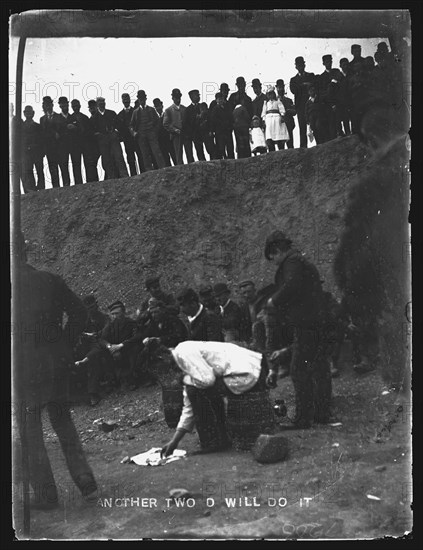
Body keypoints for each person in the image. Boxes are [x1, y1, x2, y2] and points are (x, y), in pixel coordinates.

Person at [15, 232, 97, 509]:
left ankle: (47, 497)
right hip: (55, 363)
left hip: (23, 368)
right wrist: (65, 346)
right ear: (26, 252)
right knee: (64, 422)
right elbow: (80, 314)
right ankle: (86, 482)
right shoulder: (50, 280)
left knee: (31, 432)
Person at [155, 339, 270, 455]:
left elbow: (207, 381)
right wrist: (174, 441)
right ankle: (220, 437)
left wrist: (185, 380)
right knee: (194, 390)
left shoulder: (183, 352)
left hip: (247, 371)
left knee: (195, 390)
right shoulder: (182, 363)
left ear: (163, 358)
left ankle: (213, 441)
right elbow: (189, 407)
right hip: (245, 371)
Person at [264, 230, 332, 428]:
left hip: (306, 324)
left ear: (277, 250)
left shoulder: (291, 262)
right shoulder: (301, 261)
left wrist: (273, 300)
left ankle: (303, 420)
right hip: (318, 322)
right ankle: (321, 414)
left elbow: (292, 286)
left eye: (273, 257)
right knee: (319, 368)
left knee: (299, 370)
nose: (275, 262)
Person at [74, 295, 112, 406]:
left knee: (94, 359)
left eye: (92, 306)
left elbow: (105, 331)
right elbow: (76, 333)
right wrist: (85, 336)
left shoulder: (103, 317)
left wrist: (94, 335)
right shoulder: (82, 320)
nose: (91, 310)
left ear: (96, 305)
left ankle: (93, 392)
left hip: (101, 344)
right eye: (88, 308)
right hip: (85, 346)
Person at [89, 97, 129, 180]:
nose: (102, 104)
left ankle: (124, 176)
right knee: (107, 160)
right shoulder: (94, 118)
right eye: (100, 103)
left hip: (113, 138)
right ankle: (112, 177)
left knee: (119, 157)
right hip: (103, 141)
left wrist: (116, 132)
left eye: (103, 102)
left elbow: (119, 125)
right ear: (97, 105)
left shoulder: (111, 113)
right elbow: (92, 131)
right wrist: (98, 135)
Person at [130, 90, 165, 171]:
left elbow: (157, 122)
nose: (142, 100)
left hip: (151, 134)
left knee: (156, 151)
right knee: (145, 154)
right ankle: (149, 171)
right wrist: (134, 133)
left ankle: (162, 168)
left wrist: (154, 132)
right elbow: (131, 125)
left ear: (145, 98)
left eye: (143, 98)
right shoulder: (135, 112)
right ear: (138, 99)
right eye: (140, 98)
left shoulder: (151, 110)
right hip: (141, 135)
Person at [68, 99, 99, 183]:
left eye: (77, 106)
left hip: (86, 143)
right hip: (75, 145)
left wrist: (77, 129)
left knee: (88, 163)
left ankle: (90, 181)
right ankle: (78, 183)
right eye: (73, 106)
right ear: (71, 107)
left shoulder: (85, 117)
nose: (75, 108)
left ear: (80, 106)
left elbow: (90, 130)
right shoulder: (69, 118)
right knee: (76, 164)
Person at [289, 56, 316, 148]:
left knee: (315, 124)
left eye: (302, 65)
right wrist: (305, 85)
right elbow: (294, 90)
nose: (300, 67)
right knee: (302, 127)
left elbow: (314, 85)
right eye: (298, 65)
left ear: (304, 65)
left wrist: (302, 86)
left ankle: (319, 144)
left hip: (312, 104)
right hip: (300, 106)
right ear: (296, 67)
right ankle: (303, 147)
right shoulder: (293, 80)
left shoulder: (311, 75)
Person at [117, 93, 143, 176]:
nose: (126, 101)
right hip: (127, 140)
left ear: (129, 100)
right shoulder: (120, 115)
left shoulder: (135, 111)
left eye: (127, 99)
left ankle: (143, 173)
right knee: (130, 159)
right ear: (122, 101)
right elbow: (119, 128)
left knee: (140, 155)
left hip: (136, 138)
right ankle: (133, 175)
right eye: (124, 99)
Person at [21, 106, 45, 193]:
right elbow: (20, 140)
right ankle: (32, 189)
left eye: (30, 112)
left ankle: (41, 188)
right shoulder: (21, 127)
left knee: (40, 170)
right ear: (24, 113)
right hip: (27, 153)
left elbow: (42, 140)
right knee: (29, 171)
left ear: (33, 113)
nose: (28, 114)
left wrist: (42, 152)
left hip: (37, 152)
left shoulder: (38, 126)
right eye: (26, 112)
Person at [39, 96, 62, 187]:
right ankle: (56, 187)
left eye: (49, 104)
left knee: (62, 167)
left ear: (52, 105)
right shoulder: (42, 119)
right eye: (45, 105)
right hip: (49, 148)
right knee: (52, 168)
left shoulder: (58, 117)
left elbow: (62, 131)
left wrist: (57, 134)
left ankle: (65, 187)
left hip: (59, 146)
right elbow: (42, 134)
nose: (47, 107)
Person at [163, 88, 188, 165]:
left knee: (189, 153)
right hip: (176, 136)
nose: (178, 99)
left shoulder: (184, 109)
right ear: (172, 98)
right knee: (178, 154)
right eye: (176, 98)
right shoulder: (168, 110)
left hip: (186, 134)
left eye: (179, 97)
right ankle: (181, 170)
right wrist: (174, 130)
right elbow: (165, 124)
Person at [261, 86, 289, 151]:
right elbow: (263, 112)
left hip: (277, 119)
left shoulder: (277, 101)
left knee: (279, 136)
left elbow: (282, 109)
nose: (270, 96)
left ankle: (281, 149)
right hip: (269, 120)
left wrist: (282, 115)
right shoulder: (266, 103)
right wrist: (263, 120)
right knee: (269, 136)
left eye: (271, 94)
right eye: (268, 94)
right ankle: (271, 151)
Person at [183, 89, 207, 163]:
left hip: (205, 132)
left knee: (210, 149)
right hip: (196, 133)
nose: (198, 97)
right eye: (196, 95)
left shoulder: (202, 106)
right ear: (191, 97)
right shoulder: (188, 110)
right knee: (199, 151)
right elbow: (187, 123)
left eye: (198, 95)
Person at [209, 92, 235, 159]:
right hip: (219, 132)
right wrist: (212, 130)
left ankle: (231, 160)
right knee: (221, 148)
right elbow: (212, 121)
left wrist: (230, 126)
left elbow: (231, 117)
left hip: (227, 131)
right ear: (216, 100)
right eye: (219, 99)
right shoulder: (215, 109)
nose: (220, 100)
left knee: (230, 147)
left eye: (221, 99)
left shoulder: (227, 107)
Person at [153, 98, 176, 166]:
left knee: (174, 157)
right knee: (166, 159)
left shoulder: (167, 114)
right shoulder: (155, 119)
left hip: (169, 140)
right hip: (161, 142)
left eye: (159, 106)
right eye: (156, 107)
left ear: (162, 106)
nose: (158, 108)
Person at [276, 79, 296, 148]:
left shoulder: (289, 100)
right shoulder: (274, 101)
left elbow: (294, 112)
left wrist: (288, 111)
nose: (281, 89)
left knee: (290, 145)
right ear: (276, 88)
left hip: (288, 125)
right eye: (279, 87)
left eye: (282, 87)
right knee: (281, 147)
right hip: (279, 126)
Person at [238, 280, 258, 344]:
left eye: (249, 292)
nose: (247, 295)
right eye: (244, 293)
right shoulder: (243, 308)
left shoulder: (262, 303)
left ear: (254, 291)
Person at [337, 58, 352, 136]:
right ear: (340, 66)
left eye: (346, 64)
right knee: (345, 119)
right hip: (342, 101)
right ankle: (346, 134)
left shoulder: (351, 74)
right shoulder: (338, 76)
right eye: (343, 65)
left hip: (351, 99)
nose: (345, 66)